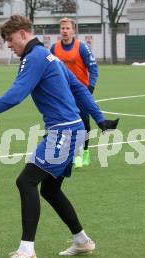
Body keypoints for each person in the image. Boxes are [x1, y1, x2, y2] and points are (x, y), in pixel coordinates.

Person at [0, 15, 118, 258]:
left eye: (11, 40)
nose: (9, 46)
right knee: (49, 189)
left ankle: (26, 252)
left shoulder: (35, 57)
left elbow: (16, 95)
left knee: (26, 181)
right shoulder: (50, 56)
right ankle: (82, 240)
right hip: (72, 130)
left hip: (63, 132)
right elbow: (79, 89)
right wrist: (99, 119)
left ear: (24, 34)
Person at [50, 17, 99, 168]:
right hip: (62, 93)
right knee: (65, 123)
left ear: (73, 30)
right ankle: (71, 154)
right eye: (62, 28)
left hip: (80, 92)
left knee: (84, 123)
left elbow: (93, 67)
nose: (64, 31)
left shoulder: (82, 48)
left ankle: (84, 152)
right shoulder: (54, 48)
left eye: (67, 28)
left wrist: (90, 86)